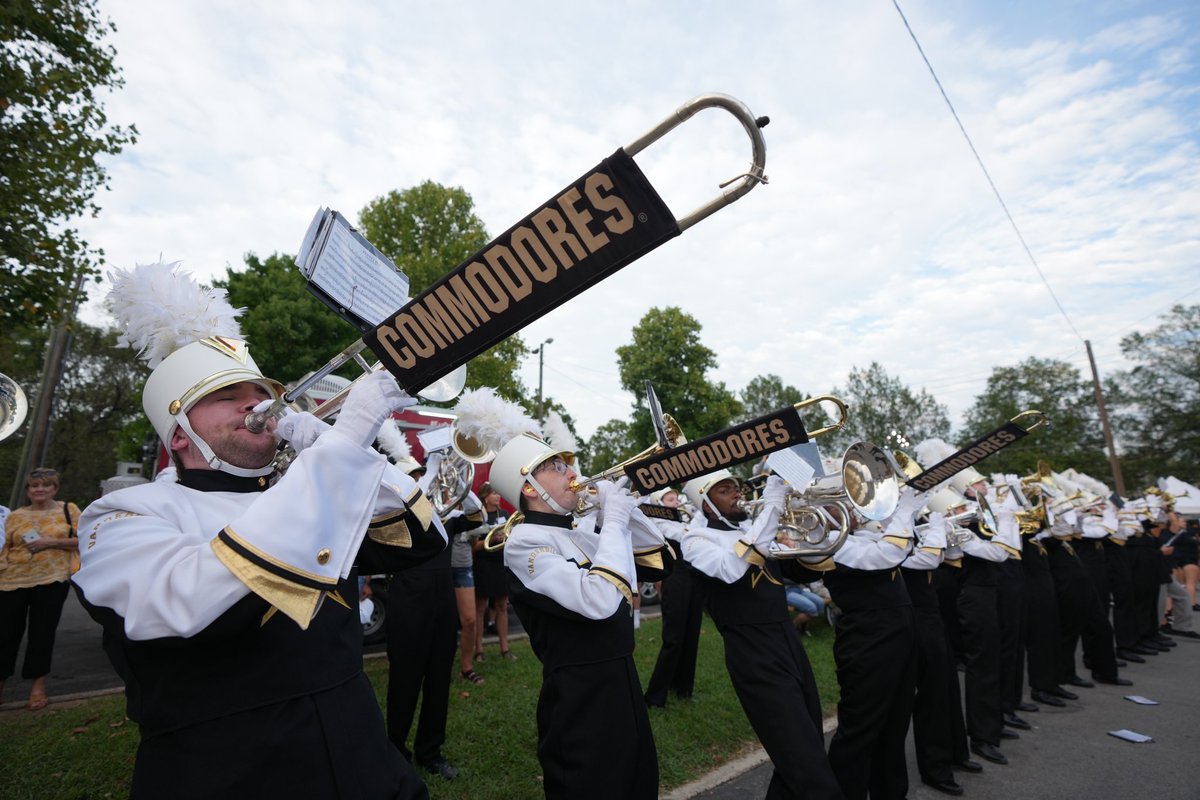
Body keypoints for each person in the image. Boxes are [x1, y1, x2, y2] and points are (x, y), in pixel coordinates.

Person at [74, 262, 445, 799]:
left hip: (362, 758)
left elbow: (416, 541)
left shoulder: (303, 490)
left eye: (259, 390)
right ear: (179, 436)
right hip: (231, 772)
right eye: (227, 395)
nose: (257, 403)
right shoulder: (124, 512)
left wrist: (332, 447)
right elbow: (190, 606)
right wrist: (340, 454)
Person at [455, 388, 664, 799]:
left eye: (566, 463)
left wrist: (624, 510)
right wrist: (616, 524)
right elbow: (600, 601)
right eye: (556, 466)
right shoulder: (526, 543)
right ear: (530, 488)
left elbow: (658, 560)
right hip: (580, 697)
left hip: (619, 681)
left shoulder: (577, 529)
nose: (573, 473)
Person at [682, 470, 842, 800]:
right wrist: (770, 507)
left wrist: (811, 515)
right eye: (725, 491)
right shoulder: (695, 540)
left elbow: (812, 562)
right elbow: (730, 569)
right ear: (708, 504)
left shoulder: (751, 529)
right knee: (809, 768)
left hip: (787, 641)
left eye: (735, 487)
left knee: (804, 747)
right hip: (751, 650)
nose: (737, 494)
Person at [0, 467, 81, 710]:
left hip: (52, 578)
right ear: (27, 491)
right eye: (35, 486)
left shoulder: (69, 510)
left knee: (42, 633)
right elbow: (6, 546)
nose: (40, 489)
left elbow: (86, 537)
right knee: (5, 634)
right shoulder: (14, 516)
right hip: (12, 579)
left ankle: (37, 686)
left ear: (55, 488)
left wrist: (50, 541)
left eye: (46, 485)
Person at [643, 486, 706, 708]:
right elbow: (686, 535)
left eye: (676, 498)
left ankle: (683, 689)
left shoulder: (683, 518)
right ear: (660, 503)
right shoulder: (659, 521)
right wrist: (699, 511)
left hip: (693, 576)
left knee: (691, 635)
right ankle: (655, 696)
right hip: (676, 577)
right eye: (670, 499)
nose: (676, 501)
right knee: (673, 639)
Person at [472, 483, 516, 661]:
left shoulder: (504, 515)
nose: (497, 496)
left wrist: (506, 538)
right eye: (493, 493)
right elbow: (473, 546)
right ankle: (479, 650)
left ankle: (505, 648)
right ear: (484, 497)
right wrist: (491, 540)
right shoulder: (478, 517)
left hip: (501, 565)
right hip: (483, 565)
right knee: (480, 608)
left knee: (501, 606)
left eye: (498, 493)